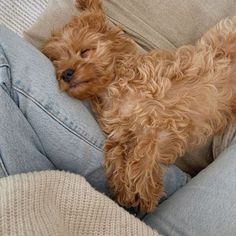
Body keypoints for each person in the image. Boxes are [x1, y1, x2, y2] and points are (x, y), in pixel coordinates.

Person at [0, 14, 236, 236]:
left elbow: (152, 126)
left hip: (110, 199)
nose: (67, 70)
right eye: (60, 65)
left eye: (83, 53)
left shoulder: (139, 77)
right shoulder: (111, 113)